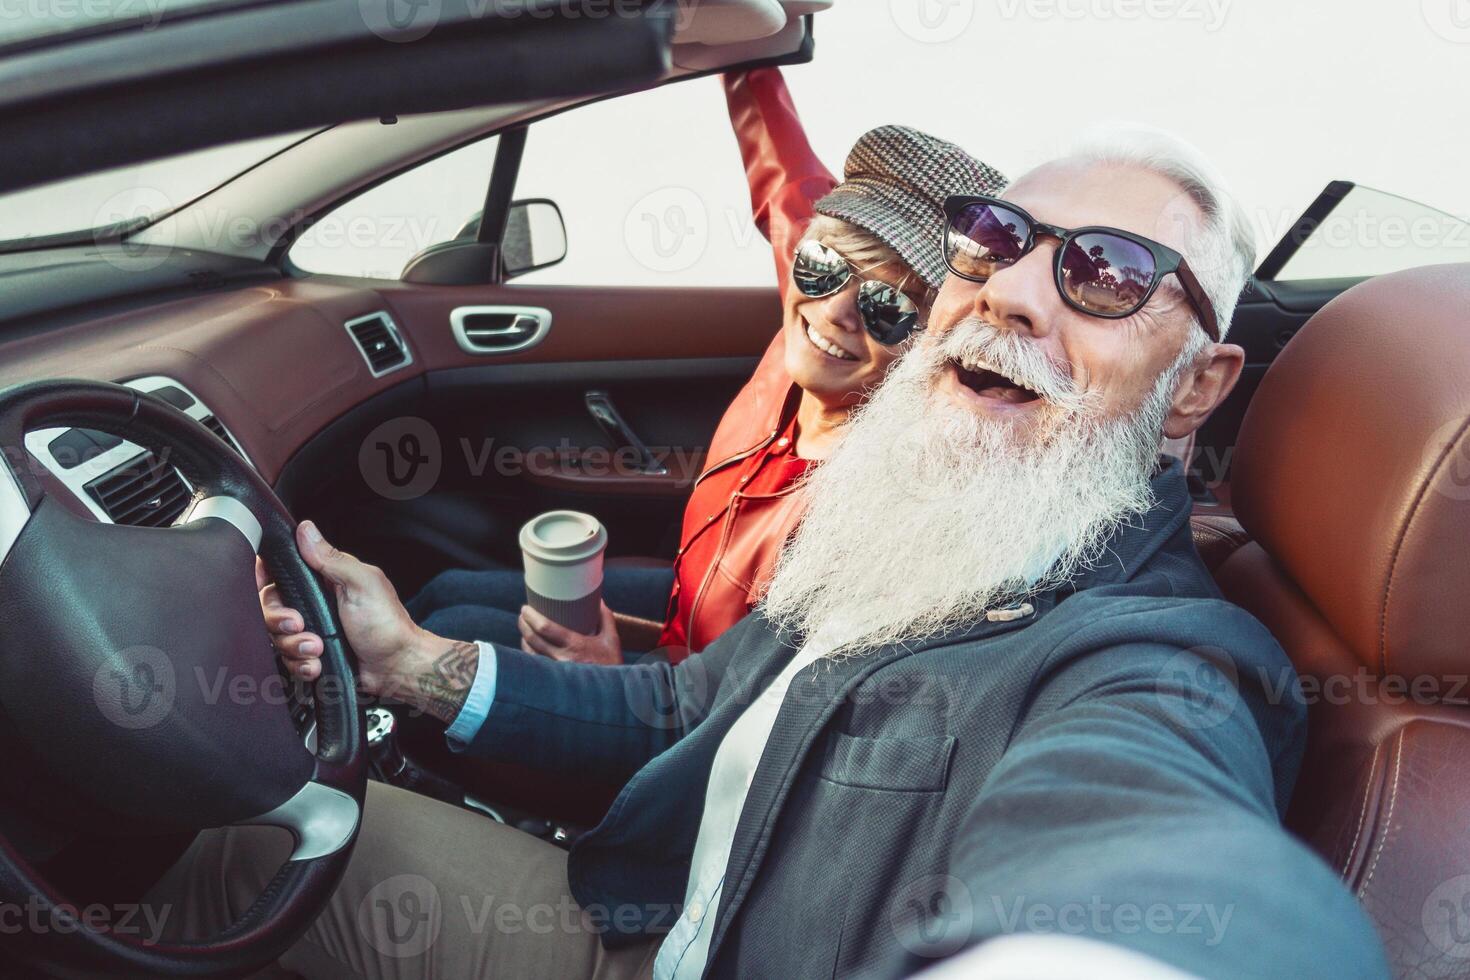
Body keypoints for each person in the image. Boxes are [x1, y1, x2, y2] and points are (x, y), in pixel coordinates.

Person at [159, 127, 1389, 979]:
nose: (1013, 292)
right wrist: (410, 663)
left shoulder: (1157, 656)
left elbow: (1147, 836)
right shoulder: (916, 526)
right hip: (642, 915)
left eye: (1105, 274)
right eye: (995, 236)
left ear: (1198, 387)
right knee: (257, 835)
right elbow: (686, 704)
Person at [404, 67, 1006, 665]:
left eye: (889, 306)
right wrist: (751, 54)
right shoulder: (810, 320)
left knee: (452, 627)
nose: (835, 312)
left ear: (934, 346)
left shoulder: (873, 509)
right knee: (445, 592)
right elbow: (781, 173)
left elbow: (738, 716)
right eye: (824, 264)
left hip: (686, 706)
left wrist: (606, 673)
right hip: (687, 609)